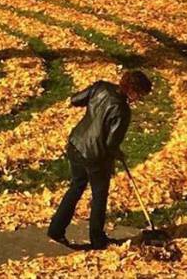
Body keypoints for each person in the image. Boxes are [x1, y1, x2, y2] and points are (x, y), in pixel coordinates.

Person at [47, 69, 153, 249]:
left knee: (76, 186)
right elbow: (111, 144)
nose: (139, 99)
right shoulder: (122, 111)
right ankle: (97, 239)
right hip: (95, 157)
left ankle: (56, 230)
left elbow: (75, 100)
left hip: (75, 145)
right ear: (132, 90)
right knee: (99, 196)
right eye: (140, 95)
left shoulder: (101, 87)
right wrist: (117, 154)